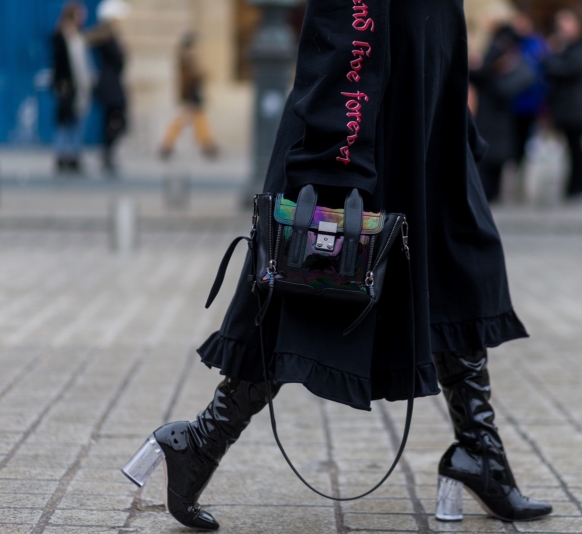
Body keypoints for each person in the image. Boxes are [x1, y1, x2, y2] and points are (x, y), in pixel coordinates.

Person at [121, 1, 552, 530]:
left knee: (454, 267)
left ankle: (480, 452)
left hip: (424, 120)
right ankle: (201, 440)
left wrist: (449, 117)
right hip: (362, 123)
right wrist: (336, 149)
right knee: (303, 283)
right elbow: (346, 22)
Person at [470, 20, 536, 202]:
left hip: (508, 124)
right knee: (486, 166)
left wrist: (492, 73)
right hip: (487, 123)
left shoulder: (523, 69)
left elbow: (504, 91)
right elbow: (475, 74)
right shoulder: (493, 62)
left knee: (497, 165)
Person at [544, 7, 582, 201]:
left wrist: (552, 57)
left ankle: (581, 187)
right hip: (564, 105)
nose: (563, 27)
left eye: (567, 22)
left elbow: (569, 69)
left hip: (578, 105)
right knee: (569, 148)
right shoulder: (563, 45)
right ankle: (572, 187)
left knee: (577, 148)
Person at [159, 33, 220, 160]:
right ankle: (168, 145)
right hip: (191, 96)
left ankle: (206, 145)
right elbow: (189, 80)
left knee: (196, 121)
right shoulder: (187, 59)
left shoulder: (187, 59)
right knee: (186, 121)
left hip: (193, 96)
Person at [87, 0, 130, 175]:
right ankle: (107, 153)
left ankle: (108, 153)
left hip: (113, 84)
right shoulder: (105, 36)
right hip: (109, 85)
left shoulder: (111, 36)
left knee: (114, 121)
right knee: (116, 121)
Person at [52, 2, 93, 174]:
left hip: (80, 86)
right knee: (65, 122)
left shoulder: (79, 35)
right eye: (80, 14)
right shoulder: (61, 36)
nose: (83, 17)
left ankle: (74, 155)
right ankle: (62, 155)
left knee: (77, 121)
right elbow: (59, 63)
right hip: (66, 86)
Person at [510, 13, 549, 169]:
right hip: (511, 100)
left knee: (526, 136)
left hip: (530, 100)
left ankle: (521, 166)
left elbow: (543, 71)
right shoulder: (510, 42)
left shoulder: (537, 44)